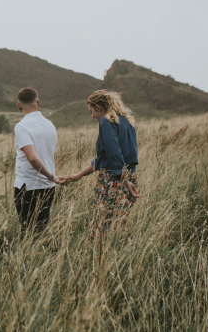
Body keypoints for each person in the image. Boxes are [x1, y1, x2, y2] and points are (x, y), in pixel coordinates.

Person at [64, 90, 140, 237]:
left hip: (113, 179)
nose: (92, 116)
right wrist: (78, 175)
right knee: (119, 224)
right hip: (131, 177)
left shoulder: (106, 121)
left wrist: (122, 178)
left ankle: (95, 257)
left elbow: (113, 153)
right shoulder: (126, 121)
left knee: (101, 225)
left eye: (91, 111)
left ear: (98, 107)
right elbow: (103, 159)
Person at [13, 87, 63, 233]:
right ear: (38, 102)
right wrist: (51, 178)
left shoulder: (21, 126)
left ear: (19, 105)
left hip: (28, 186)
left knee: (28, 231)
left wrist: (51, 177)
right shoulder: (49, 124)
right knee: (42, 228)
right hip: (48, 187)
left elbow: (33, 158)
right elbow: (50, 155)